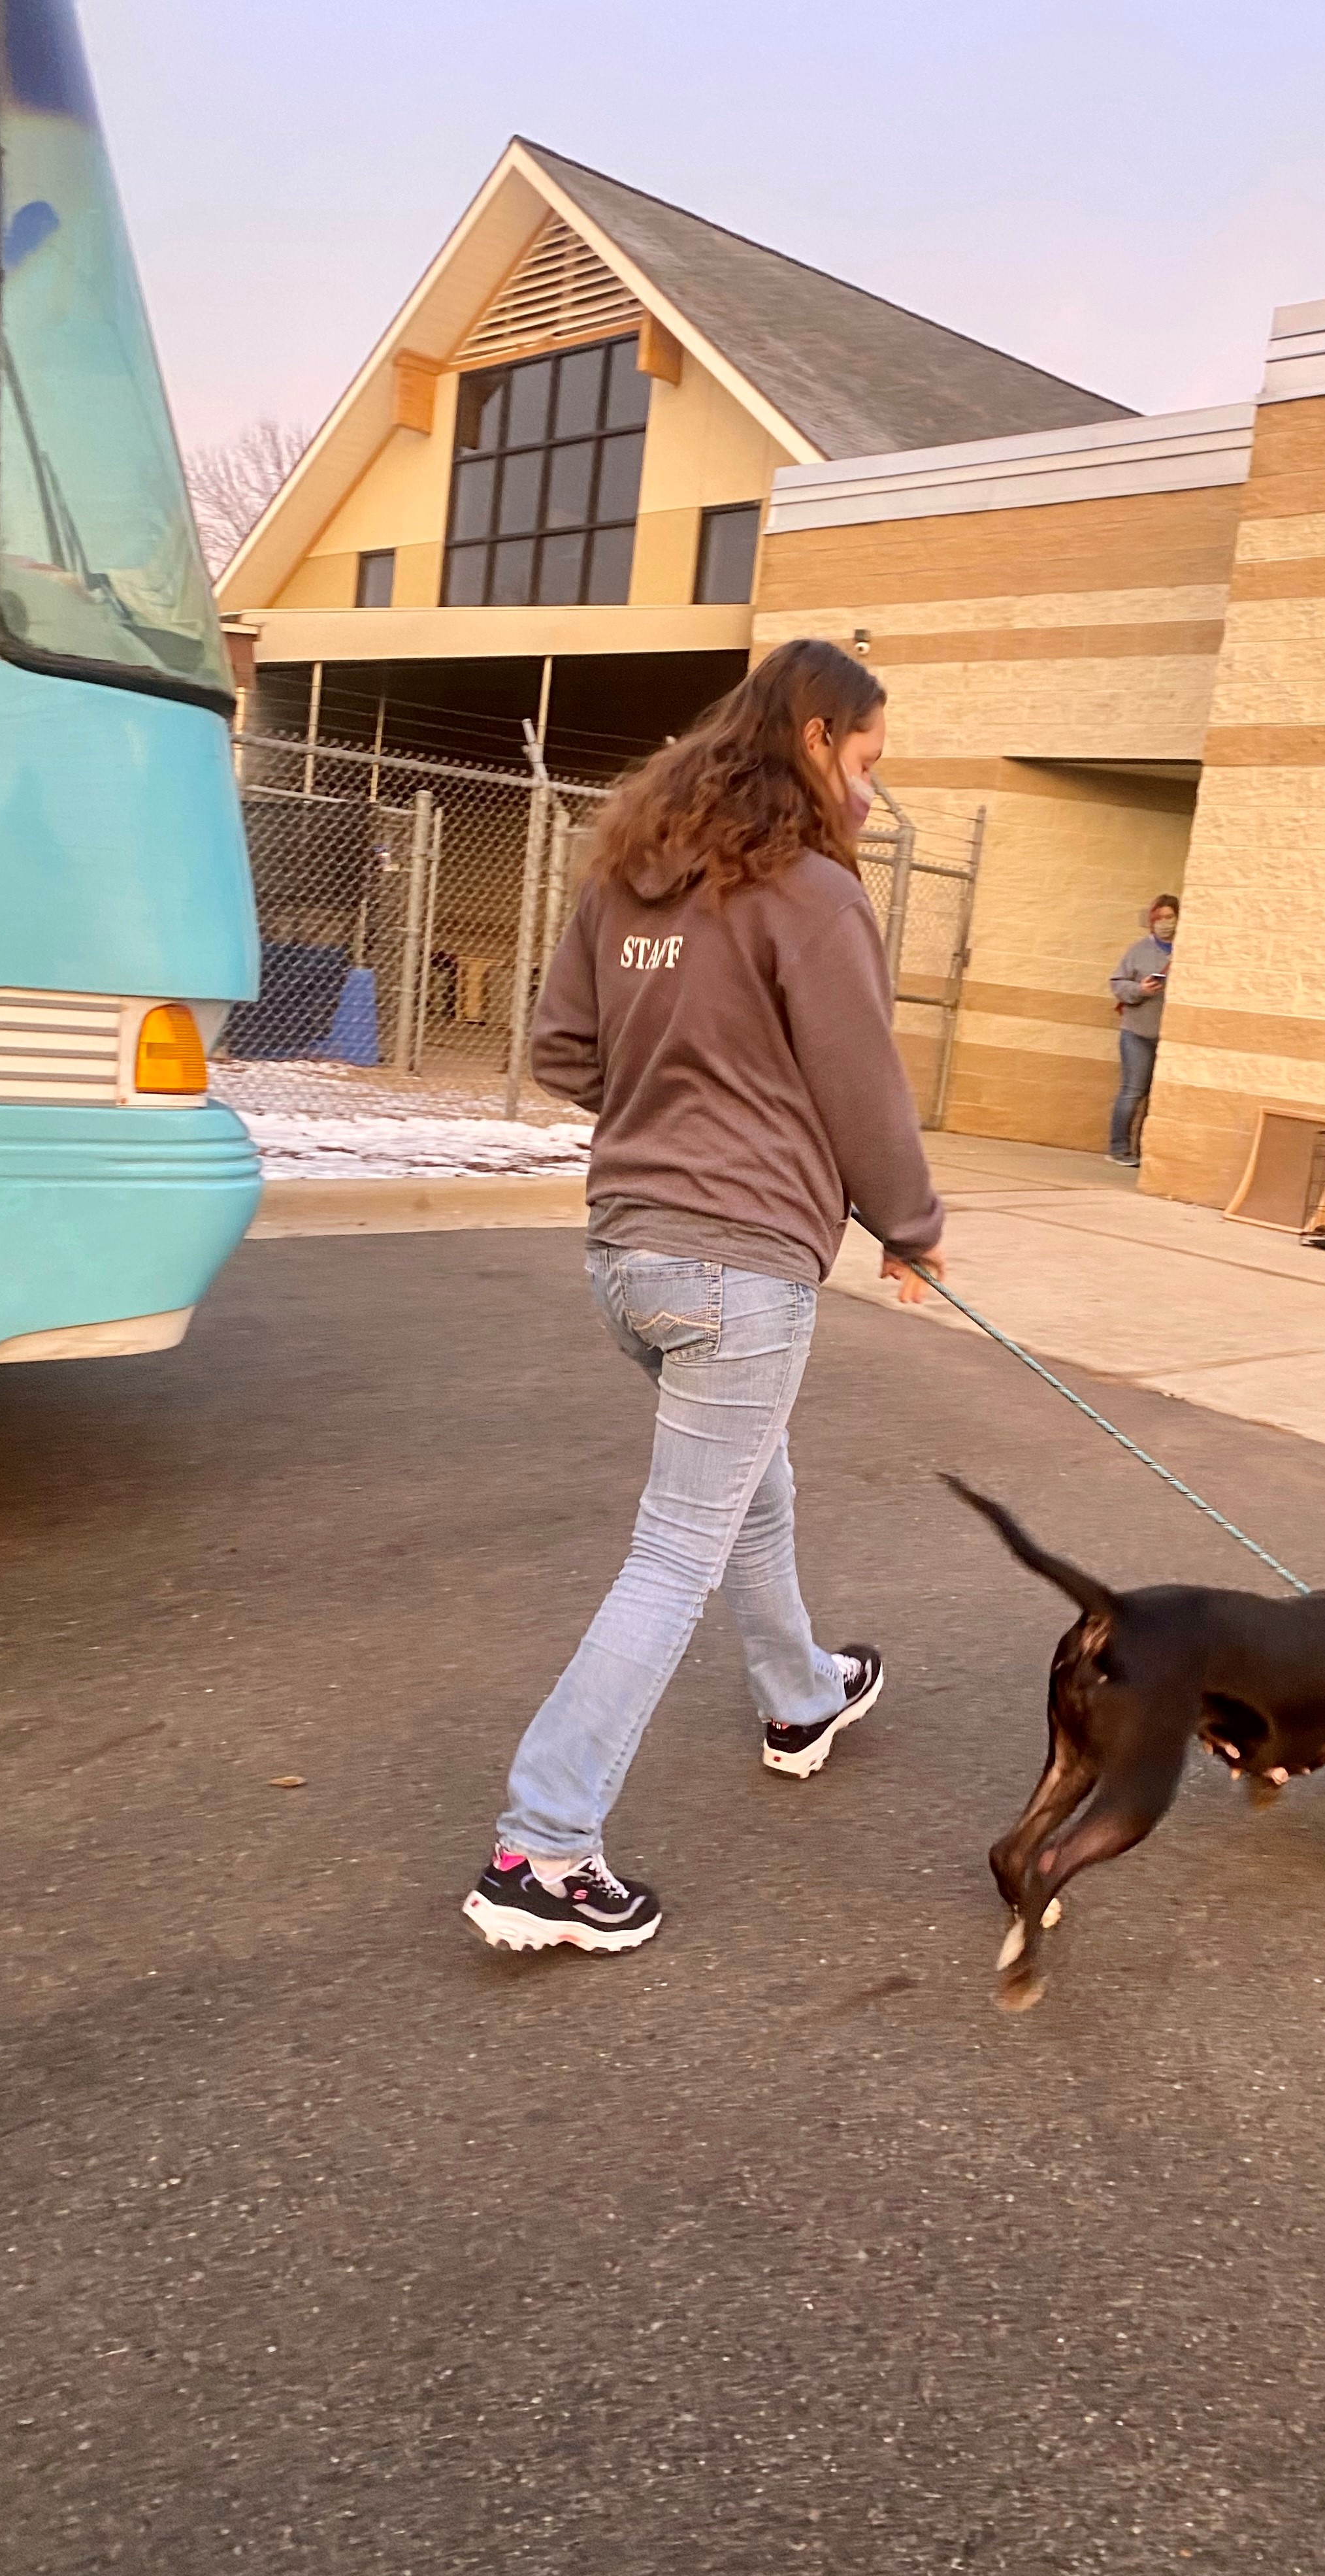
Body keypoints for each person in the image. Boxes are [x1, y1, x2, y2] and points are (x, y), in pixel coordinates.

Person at [463, 639, 946, 1959]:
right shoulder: (814, 896)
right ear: (815, 737)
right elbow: (861, 1087)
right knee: (676, 1553)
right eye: (865, 761)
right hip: (738, 1268)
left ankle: (801, 1694)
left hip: (628, 1256)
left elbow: (565, 1051)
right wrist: (909, 1230)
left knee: (748, 1482)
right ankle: (542, 1850)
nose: (867, 792)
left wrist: (675, 1101)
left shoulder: (627, 872)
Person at [1107, 894, 1179, 1167]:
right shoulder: (1139, 950)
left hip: (1169, 1037)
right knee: (1132, 1091)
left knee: (1157, 1097)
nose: (1164, 923)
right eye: (1159, 918)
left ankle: (1145, 1150)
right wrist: (1140, 989)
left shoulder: (1186, 950)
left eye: (1169, 917)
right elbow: (1117, 983)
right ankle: (1119, 1149)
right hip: (1137, 1033)